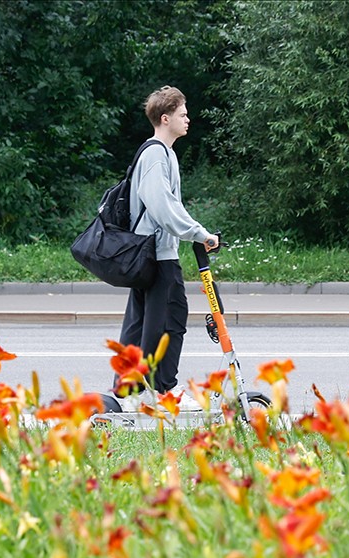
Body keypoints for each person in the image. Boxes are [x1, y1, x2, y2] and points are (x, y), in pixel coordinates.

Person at [116, 85, 219, 411]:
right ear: (165, 117)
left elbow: (171, 206)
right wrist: (198, 233)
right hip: (156, 255)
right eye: (182, 114)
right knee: (165, 322)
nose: (188, 119)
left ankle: (134, 392)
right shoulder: (155, 155)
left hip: (156, 253)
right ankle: (155, 392)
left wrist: (194, 231)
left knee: (150, 321)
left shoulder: (165, 154)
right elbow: (162, 208)